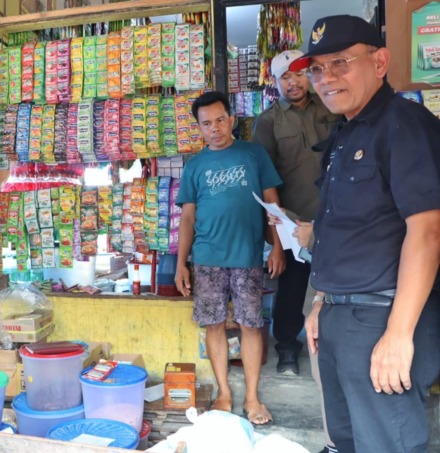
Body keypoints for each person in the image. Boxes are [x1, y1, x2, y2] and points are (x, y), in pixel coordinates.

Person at [288, 15, 440, 452]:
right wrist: (322, 300)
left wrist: (398, 333)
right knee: (346, 441)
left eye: (340, 62)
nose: (326, 77)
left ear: (380, 62)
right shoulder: (346, 134)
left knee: (385, 443)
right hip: (340, 317)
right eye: (317, 68)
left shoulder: (403, 124)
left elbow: (428, 232)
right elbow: (343, 229)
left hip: (382, 319)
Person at [175, 90, 285, 427]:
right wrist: (182, 263)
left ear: (232, 119)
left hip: (247, 255)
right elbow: (188, 219)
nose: (215, 128)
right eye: (206, 123)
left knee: (252, 325)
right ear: (199, 127)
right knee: (214, 324)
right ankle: (224, 392)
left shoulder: (254, 155)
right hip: (207, 257)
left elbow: (272, 205)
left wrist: (278, 246)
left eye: (220, 120)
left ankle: (252, 397)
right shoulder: (194, 166)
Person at [252, 49, 341, 377]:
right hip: (292, 220)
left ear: (311, 74)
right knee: (291, 286)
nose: (294, 82)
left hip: (336, 215)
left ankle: (333, 344)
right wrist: (274, 232)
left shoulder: (332, 109)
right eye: (285, 77)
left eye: (299, 74)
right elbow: (263, 178)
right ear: (275, 82)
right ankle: (287, 346)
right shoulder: (268, 122)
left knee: (336, 281)